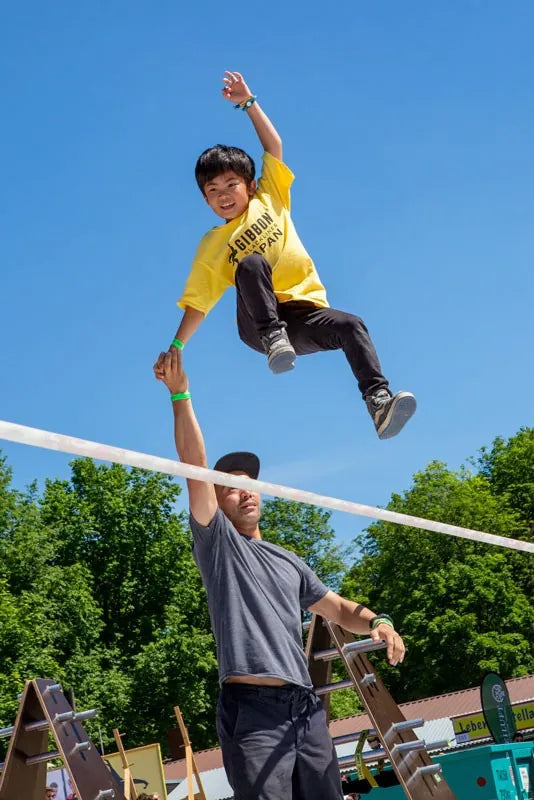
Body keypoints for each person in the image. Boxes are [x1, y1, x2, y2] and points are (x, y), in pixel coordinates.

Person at [153, 347, 406, 800]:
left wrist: (378, 622)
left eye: (249, 485)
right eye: (230, 489)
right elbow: (193, 467)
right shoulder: (219, 546)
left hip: (305, 709)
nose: (244, 494)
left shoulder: (289, 561)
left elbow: (339, 608)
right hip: (254, 712)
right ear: (219, 503)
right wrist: (180, 394)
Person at [160, 70, 416, 441]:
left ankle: (378, 402)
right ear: (205, 199)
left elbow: (273, 146)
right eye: (213, 190)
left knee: (351, 325)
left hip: (303, 317)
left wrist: (248, 104)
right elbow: (198, 303)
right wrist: (176, 346)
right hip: (259, 327)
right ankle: (273, 338)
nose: (223, 194)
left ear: (250, 186)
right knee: (250, 263)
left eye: (231, 184)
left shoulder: (271, 197)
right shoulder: (213, 244)